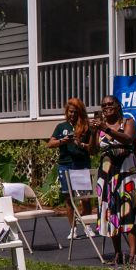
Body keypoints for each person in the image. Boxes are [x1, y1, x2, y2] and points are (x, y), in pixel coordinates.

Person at [89, 96, 136, 265]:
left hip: (126, 172)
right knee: (110, 211)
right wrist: (92, 132)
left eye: (110, 104)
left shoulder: (128, 122)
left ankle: (133, 254)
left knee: (128, 209)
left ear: (118, 105)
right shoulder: (99, 128)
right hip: (107, 175)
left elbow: (128, 139)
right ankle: (118, 253)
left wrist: (107, 129)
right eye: (103, 105)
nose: (107, 107)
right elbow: (92, 150)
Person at [48, 97, 94, 237]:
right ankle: (73, 229)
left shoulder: (86, 126)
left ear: (80, 112)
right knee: (69, 198)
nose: (72, 115)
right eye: (70, 112)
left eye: (75, 112)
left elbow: (93, 149)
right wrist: (63, 141)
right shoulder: (61, 127)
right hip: (65, 164)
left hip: (81, 164)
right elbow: (50, 144)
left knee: (86, 197)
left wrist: (81, 144)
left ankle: (87, 226)